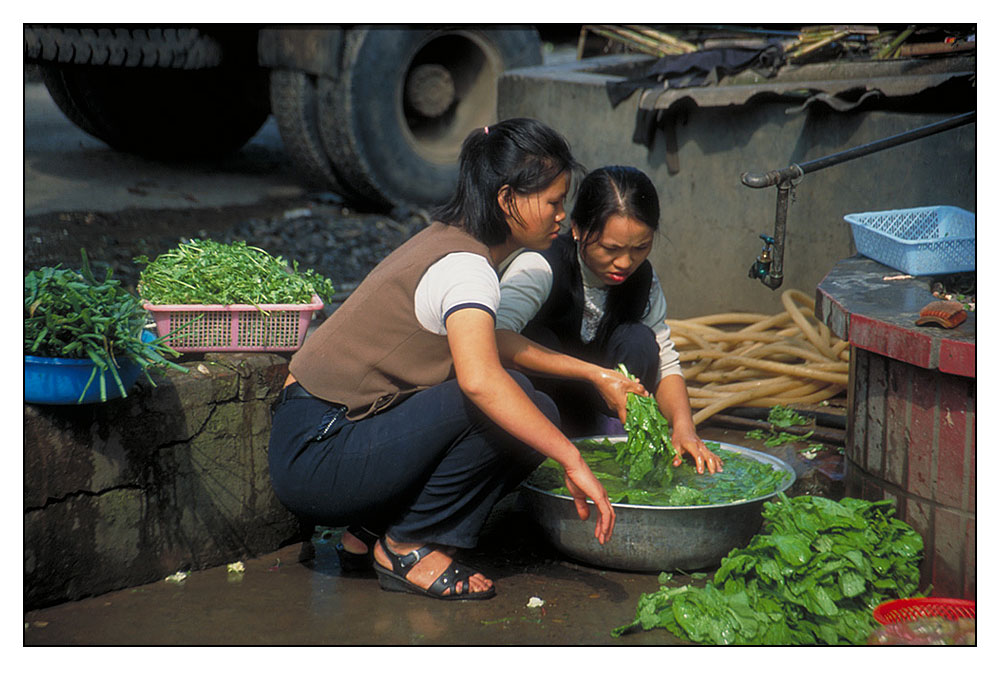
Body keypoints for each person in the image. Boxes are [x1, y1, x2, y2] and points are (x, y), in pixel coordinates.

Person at [267, 119, 646, 601]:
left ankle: (363, 535)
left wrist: (595, 374)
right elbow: (481, 380)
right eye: (552, 201)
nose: (560, 216)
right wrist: (569, 457)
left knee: (520, 399)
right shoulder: (466, 269)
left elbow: (494, 344)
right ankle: (406, 546)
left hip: (318, 435)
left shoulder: (449, 239)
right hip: (318, 454)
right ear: (508, 200)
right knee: (518, 406)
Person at [497, 165, 722, 475]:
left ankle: (614, 435)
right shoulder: (538, 267)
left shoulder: (643, 279)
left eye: (641, 247)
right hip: (539, 408)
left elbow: (667, 365)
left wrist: (684, 428)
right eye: (610, 248)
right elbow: (495, 337)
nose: (625, 262)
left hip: (603, 410)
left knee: (639, 339)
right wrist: (596, 375)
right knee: (539, 340)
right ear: (577, 230)